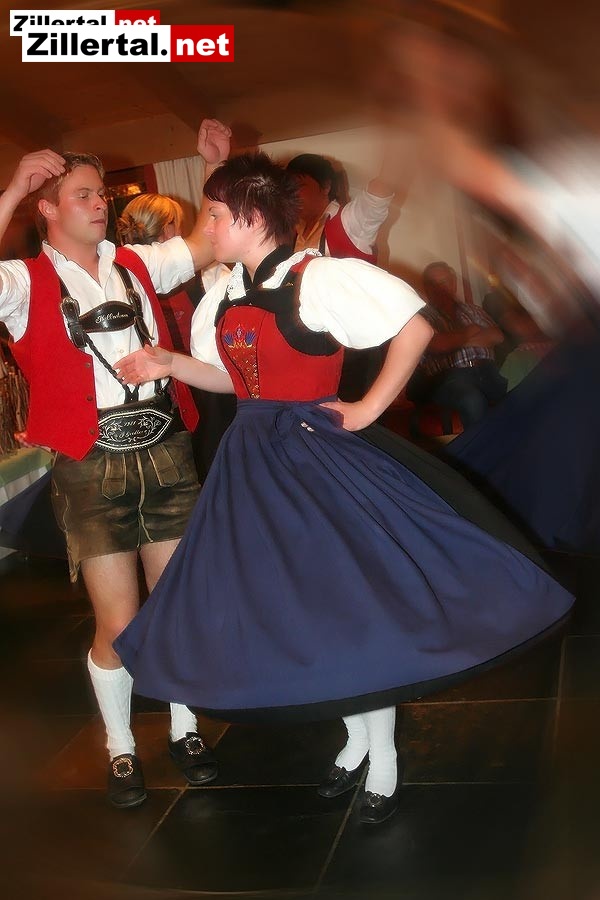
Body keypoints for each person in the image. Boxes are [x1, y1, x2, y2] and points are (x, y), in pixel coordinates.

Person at [113, 152, 573, 826]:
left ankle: (381, 757)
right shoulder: (226, 291)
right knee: (311, 610)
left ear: (250, 217)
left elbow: (415, 327)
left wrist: (367, 409)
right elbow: (233, 382)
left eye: (214, 215)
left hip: (315, 458)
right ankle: (355, 741)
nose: (206, 227)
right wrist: (172, 362)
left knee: (352, 607)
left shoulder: (321, 277)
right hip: (252, 465)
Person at [0, 118, 231, 810]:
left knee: (176, 602)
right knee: (121, 622)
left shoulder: (136, 263)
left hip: (165, 448)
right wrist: (10, 190)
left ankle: (186, 729)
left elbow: (207, 240)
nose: (100, 203)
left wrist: (212, 168)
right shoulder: (21, 282)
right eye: (83, 195)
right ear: (47, 208)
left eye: (101, 193)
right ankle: (121, 744)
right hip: (90, 463)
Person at [117, 193, 234, 477]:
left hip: (151, 401)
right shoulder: (212, 274)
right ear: (169, 229)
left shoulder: (118, 279)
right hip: (209, 392)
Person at [407, 261, 507, 426]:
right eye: (433, 284)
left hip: (489, 371)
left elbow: (497, 336)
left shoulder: (473, 310)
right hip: (450, 378)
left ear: (453, 284)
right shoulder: (423, 317)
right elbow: (438, 345)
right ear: (426, 288)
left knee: (518, 397)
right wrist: (470, 332)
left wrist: (453, 340)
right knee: (472, 400)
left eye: (444, 282)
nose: (439, 288)